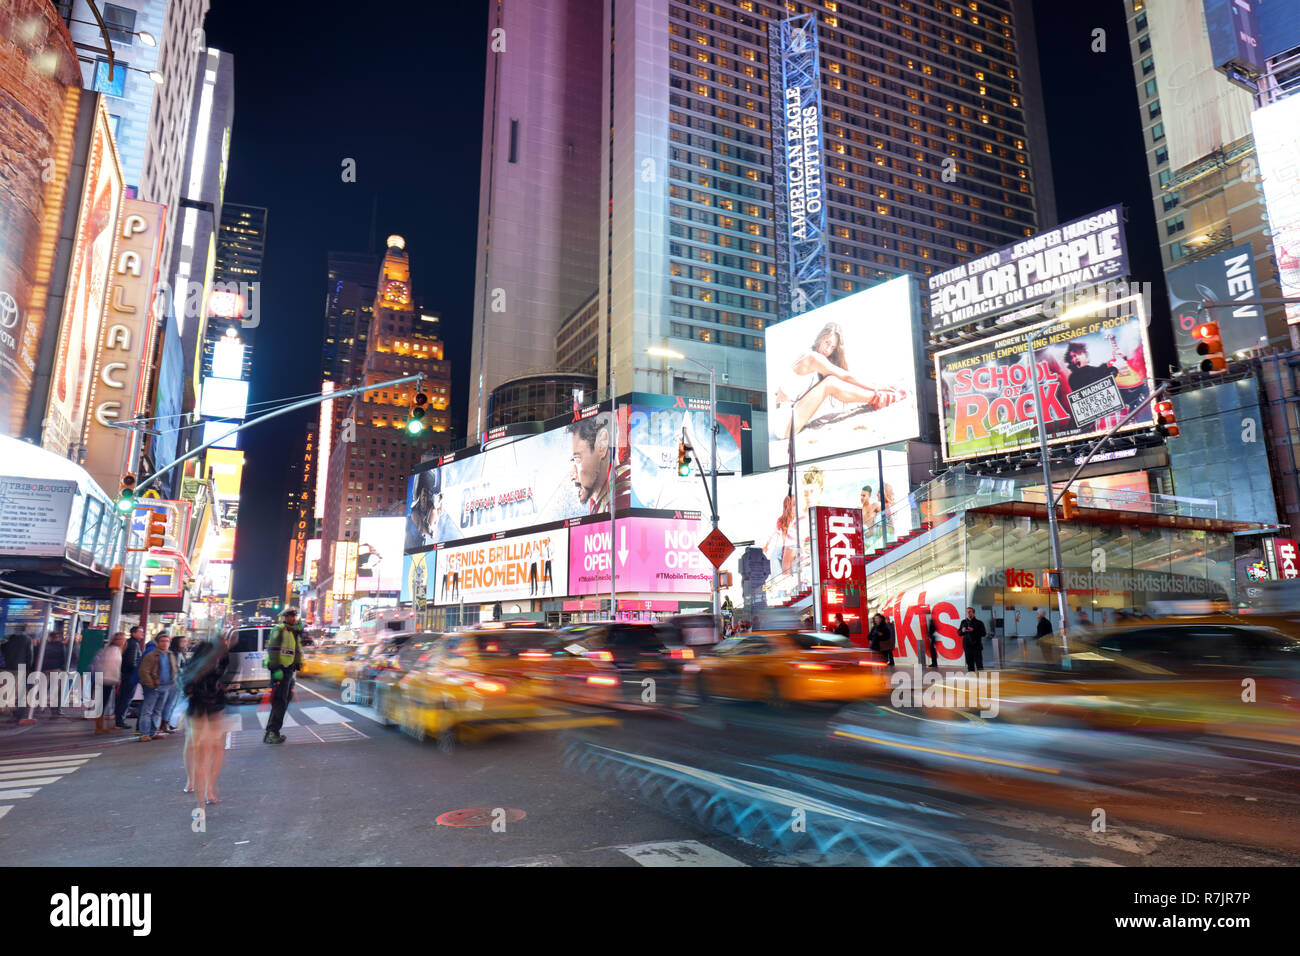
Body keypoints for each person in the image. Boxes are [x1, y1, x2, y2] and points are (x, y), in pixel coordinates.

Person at [774, 321, 908, 441]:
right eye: (827, 343)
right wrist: (877, 388)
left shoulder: (805, 354)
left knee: (830, 382)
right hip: (786, 422)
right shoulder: (813, 358)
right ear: (821, 337)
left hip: (785, 418)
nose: (828, 350)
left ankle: (877, 397)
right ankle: (878, 398)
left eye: (832, 347)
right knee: (830, 383)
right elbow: (846, 377)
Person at [182, 633, 235, 806]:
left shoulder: (223, 660)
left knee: (213, 746)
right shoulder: (201, 660)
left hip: (214, 705)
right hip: (199, 705)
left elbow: (227, 678)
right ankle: (195, 781)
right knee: (196, 745)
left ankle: (208, 787)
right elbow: (186, 683)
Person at [263, 609, 305, 744]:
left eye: (294, 616)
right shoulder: (279, 629)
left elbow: (296, 650)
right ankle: (272, 733)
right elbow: (273, 649)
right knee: (279, 701)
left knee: (283, 700)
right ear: (285, 617)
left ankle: (271, 731)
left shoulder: (293, 632)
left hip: (288, 670)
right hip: (280, 670)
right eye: (290, 616)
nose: (293, 618)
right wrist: (275, 669)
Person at [568, 413, 613, 514]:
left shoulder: (621, 499)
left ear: (602, 447)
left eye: (577, 459)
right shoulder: (601, 505)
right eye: (572, 460)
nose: (572, 476)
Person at [136, 633, 178, 740]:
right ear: (158, 643)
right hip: (153, 687)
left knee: (158, 710)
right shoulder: (151, 655)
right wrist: (151, 684)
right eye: (162, 641)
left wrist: (172, 681)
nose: (165, 643)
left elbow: (174, 669)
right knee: (147, 711)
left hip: (165, 687)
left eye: (167, 641)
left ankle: (153, 732)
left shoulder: (170, 654)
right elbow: (143, 671)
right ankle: (144, 734)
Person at [89, 632, 125, 734]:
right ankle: (99, 727)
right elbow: (111, 666)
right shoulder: (114, 650)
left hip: (105, 679)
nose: (122, 641)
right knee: (102, 703)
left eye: (123, 639)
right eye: (119, 639)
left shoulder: (110, 649)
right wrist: (117, 678)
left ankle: (100, 726)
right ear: (115, 640)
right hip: (106, 680)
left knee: (102, 703)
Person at [116, 626, 144, 729]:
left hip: (127, 675)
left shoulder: (131, 643)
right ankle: (120, 720)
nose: (142, 634)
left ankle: (119, 719)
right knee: (126, 698)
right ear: (133, 633)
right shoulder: (134, 644)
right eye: (140, 632)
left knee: (124, 697)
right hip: (130, 676)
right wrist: (138, 670)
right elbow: (131, 662)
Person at [40, 630, 68, 715]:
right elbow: (63, 658)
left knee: (43, 688)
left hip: (45, 669)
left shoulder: (46, 645)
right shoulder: (61, 646)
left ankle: (41, 707)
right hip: (56, 669)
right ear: (58, 637)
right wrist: (63, 668)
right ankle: (55, 708)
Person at [959, 607, 986, 672]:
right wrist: (962, 631)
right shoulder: (963, 622)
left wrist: (974, 630)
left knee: (979, 664)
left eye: (970, 611)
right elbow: (959, 633)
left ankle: (981, 679)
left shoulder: (979, 622)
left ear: (973, 613)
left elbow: (984, 633)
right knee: (969, 664)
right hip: (967, 646)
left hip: (976, 646)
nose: (968, 613)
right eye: (967, 612)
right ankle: (972, 678)